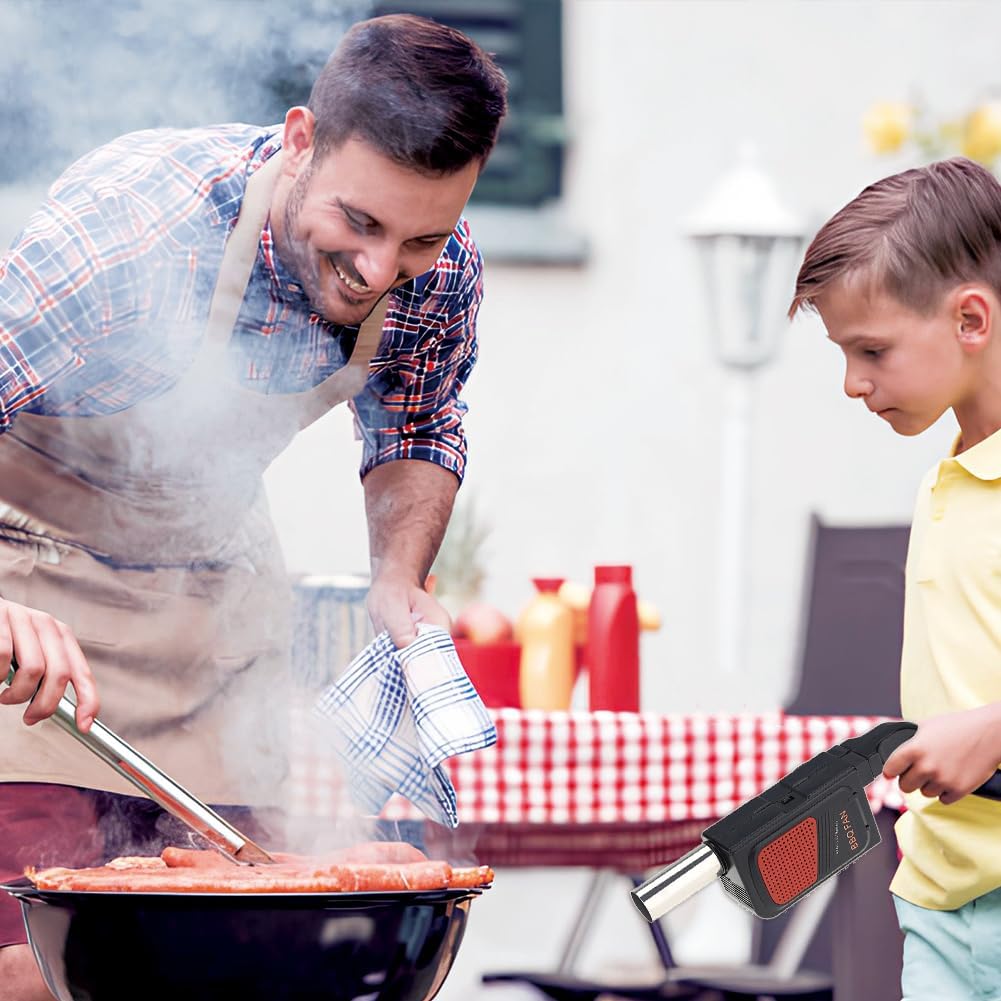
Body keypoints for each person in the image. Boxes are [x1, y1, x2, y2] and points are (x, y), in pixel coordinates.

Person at [0, 13, 507, 999]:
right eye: (358, 224)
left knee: (235, 953)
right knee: (34, 963)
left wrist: (396, 576)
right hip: (32, 598)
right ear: (300, 140)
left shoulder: (435, 272)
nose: (376, 270)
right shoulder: (126, 231)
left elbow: (415, 423)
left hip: (212, 616)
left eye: (417, 238)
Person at [789, 156, 1001, 1000]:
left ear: (971, 319)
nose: (851, 383)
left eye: (870, 349)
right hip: (941, 905)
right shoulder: (947, 477)